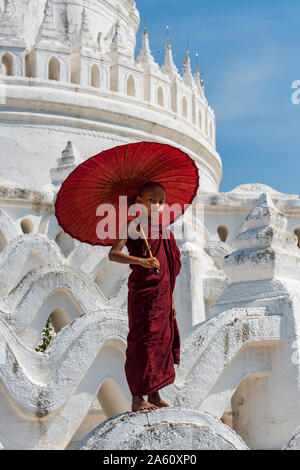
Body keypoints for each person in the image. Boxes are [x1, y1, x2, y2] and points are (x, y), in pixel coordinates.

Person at [108, 181, 181, 412]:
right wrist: (142, 261)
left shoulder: (165, 232)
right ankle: (138, 398)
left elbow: (170, 269)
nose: (158, 206)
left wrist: (171, 301)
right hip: (144, 294)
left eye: (161, 202)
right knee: (144, 342)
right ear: (140, 201)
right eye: (152, 201)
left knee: (161, 342)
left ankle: (155, 393)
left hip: (162, 296)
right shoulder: (132, 226)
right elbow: (114, 254)